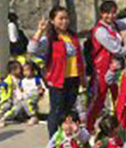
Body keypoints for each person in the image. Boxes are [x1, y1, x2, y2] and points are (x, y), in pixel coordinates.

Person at [28, 7, 86, 137]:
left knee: (68, 111)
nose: (64, 21)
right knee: (56, 112)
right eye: (61, 18)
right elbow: (32, 49)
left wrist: (83, 77)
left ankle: (66, 138)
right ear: (52, 21)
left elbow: (80, 58)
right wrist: (40, 30)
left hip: (73, 78)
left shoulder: (72, 36)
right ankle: (53, 139)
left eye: (66, 18)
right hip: (58, 80)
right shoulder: (49, 39)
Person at [87, 0, 126, 131]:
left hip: (116, 66)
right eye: (107, 13)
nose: (110, 16)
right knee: (99, 99)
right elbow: (115, 48)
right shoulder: (100, 30)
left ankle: (119, 127)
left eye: (113, 13)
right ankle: (88, 126)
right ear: (101, 13)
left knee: (119, 97)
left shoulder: (114, 25)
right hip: (102, 68)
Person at [0, 61, 45, 126]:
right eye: (24, 71)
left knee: (27, 102)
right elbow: (20, 89)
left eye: (27, 70)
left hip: (33, 96)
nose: (25, 72)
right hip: (24, 97)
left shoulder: (36, 79)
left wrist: (40, 92)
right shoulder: (22, 80)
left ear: (33, 71)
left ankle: (33, 116)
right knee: (17, 106)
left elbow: (40, 88)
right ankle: (4, 118)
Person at [0, 60, 22, 127]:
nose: (20, 70)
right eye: (18, 68)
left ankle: (3, 117)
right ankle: (0, 117)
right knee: (6, 106)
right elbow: (1, 90)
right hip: (8, 98)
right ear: (12, 70)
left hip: (16, 98)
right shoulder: (7, 80)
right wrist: (4, 97)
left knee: (15, 108)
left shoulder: (19, 79)